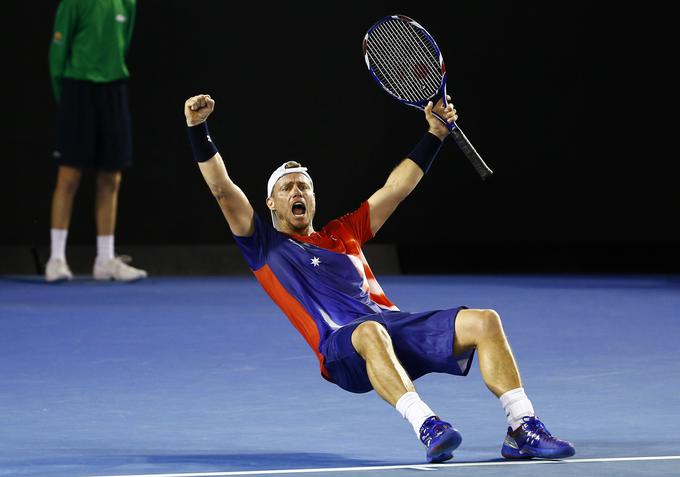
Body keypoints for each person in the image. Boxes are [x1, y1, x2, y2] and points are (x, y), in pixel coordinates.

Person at [183, 93, 575, 462]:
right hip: (341, 347)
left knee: (485, 321)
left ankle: (522, 427)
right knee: (370, 330)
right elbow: (221, 189)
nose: (296, 191)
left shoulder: (343, 231)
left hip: (393, 328)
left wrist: (435, 135)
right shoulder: (263, 245)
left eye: (304, 185)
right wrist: (198, 129)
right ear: (271, 202)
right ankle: (427, 425)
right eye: (286, 188)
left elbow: (396, 188)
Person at [45, 0, 147, 282]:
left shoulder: (127, 3)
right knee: (69, 176)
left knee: (111, 177)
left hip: (113, 92)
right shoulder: (72, 4)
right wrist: (66, 101)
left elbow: (121, 47)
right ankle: (56, 259)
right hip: (77, 91)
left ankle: (104, 258)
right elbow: (57, 56)